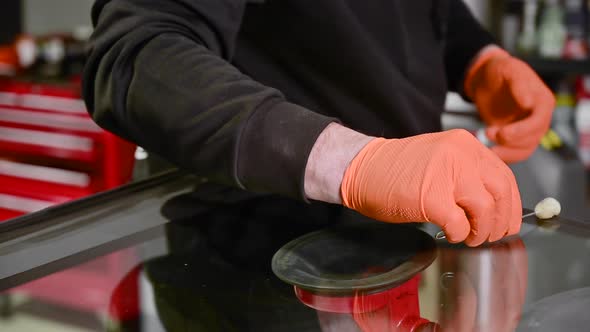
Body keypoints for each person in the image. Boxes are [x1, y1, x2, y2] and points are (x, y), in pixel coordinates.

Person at [84, 0, 555, 247]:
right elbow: (136, 57)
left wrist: (479, 61)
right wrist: (353, 164)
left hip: (393, 243)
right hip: (246, 254)